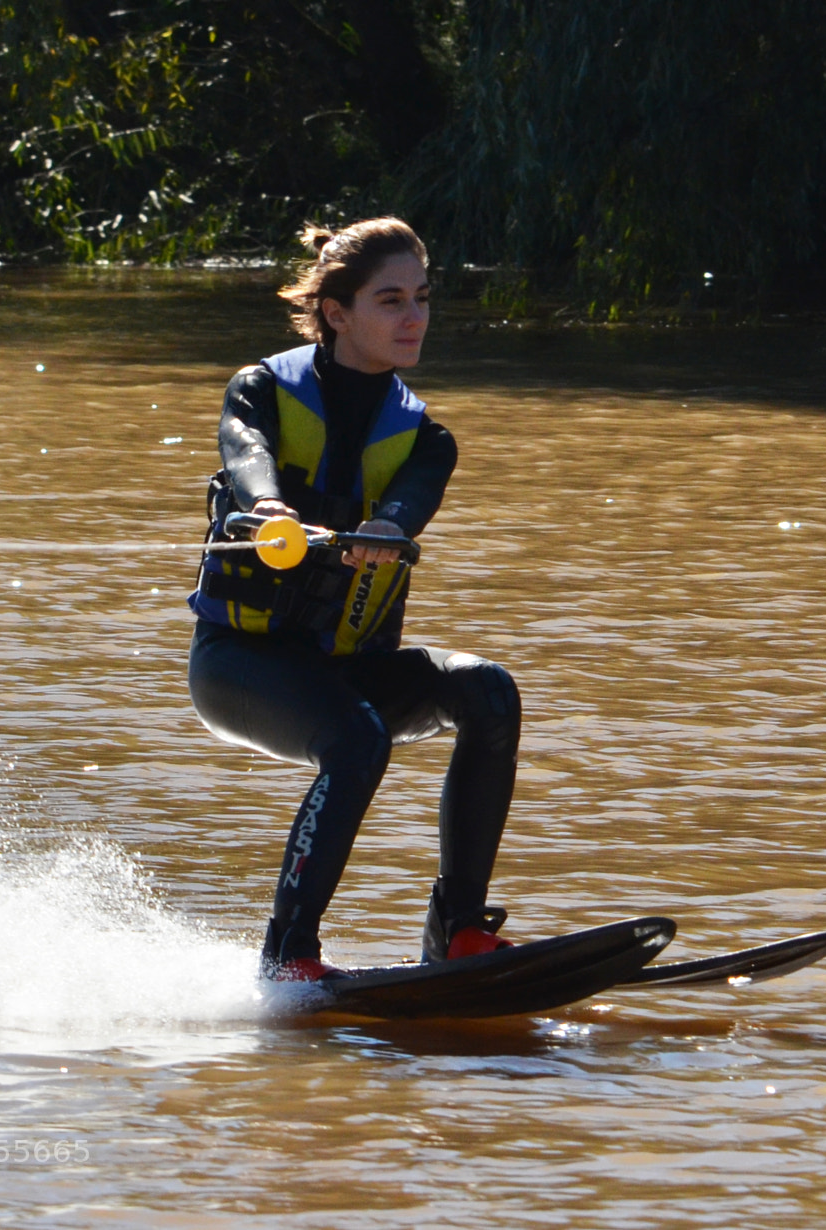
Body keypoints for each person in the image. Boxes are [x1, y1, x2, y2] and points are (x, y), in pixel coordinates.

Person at [186, 217, 523, 982]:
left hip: (342, 666)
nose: (414, 318)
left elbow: (411, 501)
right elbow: (246, 450)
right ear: (338, 314)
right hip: (241, 664)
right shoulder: (263, 389)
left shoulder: (426, 439)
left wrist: (386, 526)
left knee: (487, 692)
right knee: (358, 740)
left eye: (423, 299)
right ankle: (288, 955)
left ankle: (460, 932)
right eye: (391, 300)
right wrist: (268, 506)